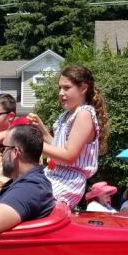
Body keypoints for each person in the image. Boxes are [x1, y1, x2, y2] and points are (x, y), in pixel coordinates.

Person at [27, 65, 109, 208]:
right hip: (54, 174)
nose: (61, 93)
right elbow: (58, 147)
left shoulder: (84, 114)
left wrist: (31, 144)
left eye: (66, 88)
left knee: (22, 200)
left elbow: (68, 155)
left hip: (68, 182)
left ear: (83, 88)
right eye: (59, 88)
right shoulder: (66, 115)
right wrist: (42, 129)